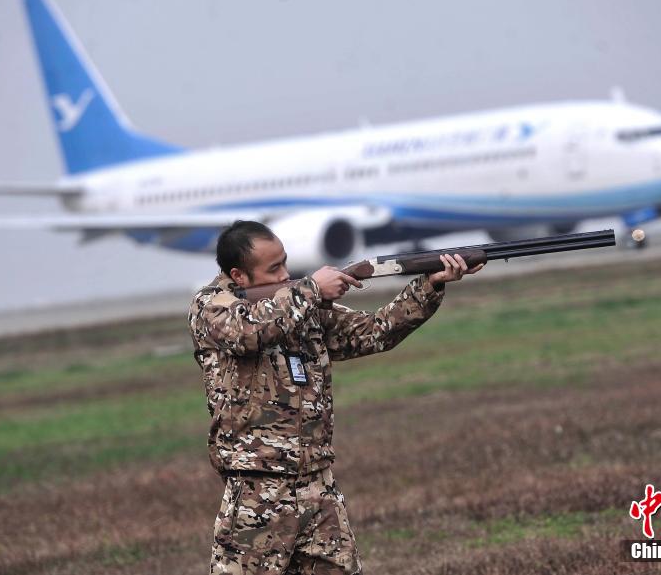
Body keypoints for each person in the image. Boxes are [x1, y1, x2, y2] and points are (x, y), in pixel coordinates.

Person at [188, 220, 483, 574]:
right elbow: (249, 332)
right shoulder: (212, 308)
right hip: (257, 491)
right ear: (239, 276)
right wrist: (312, 289)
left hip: (318, 484)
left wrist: (429, 286)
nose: (285, 274)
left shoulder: (299, 304)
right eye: (273, 268)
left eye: (285, 262)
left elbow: (374, 332)